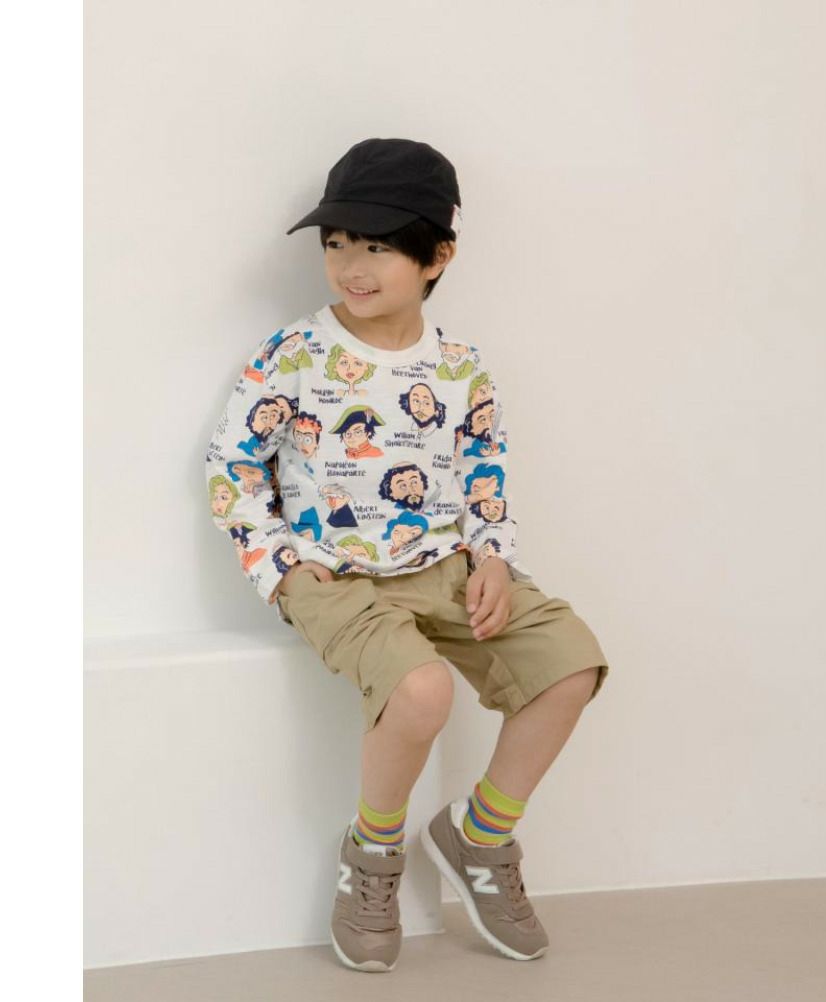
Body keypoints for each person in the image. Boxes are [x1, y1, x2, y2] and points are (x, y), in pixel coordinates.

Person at [203, 137, 610, 973]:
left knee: (570, 663)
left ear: (438, 256)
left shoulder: (460, 368)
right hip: (333, 575)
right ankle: (372, 854)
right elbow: (231, 466)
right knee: (422, 692)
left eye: (378, 246)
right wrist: (278, 566)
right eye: (336, 243)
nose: (351, 266)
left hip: (446, 566)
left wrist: (493, 559)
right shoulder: (294, 354)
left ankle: (480, 835)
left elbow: (484, 472)